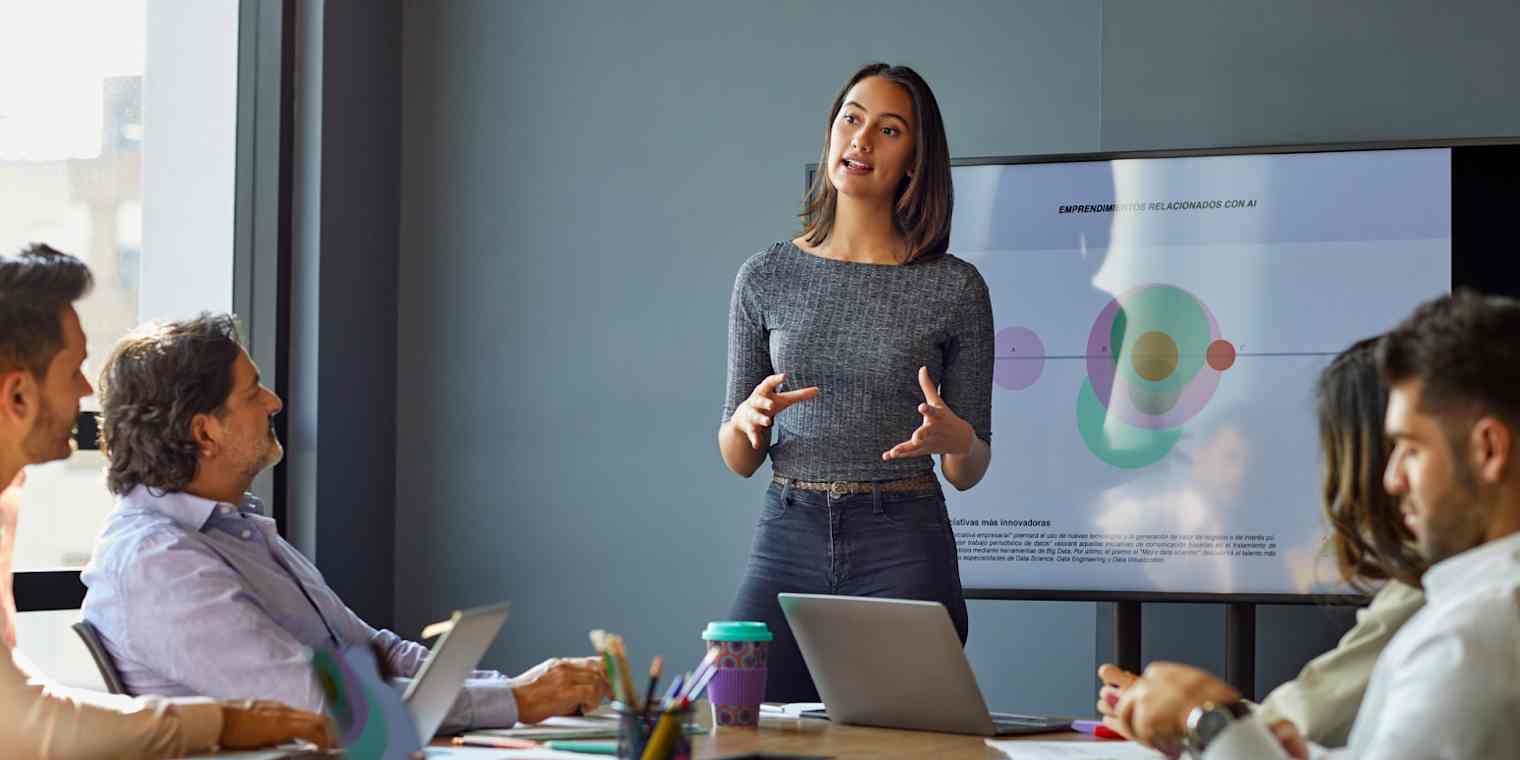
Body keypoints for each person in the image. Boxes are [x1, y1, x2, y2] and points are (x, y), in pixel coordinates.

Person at [81, 313, 610, 734]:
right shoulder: (158, 563)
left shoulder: (236, 527)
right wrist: (516, 700)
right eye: (252, 392)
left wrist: (522, 691)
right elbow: (318, 700)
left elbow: (370, 651)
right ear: (205, 433)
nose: (275, 402)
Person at [1108, 291, 1520, 759]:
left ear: (1488, 450)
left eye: (1412, 448)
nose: (1392, 478)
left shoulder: (1467, 643)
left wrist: (1205, 720)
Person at [719, 62, 994, 702]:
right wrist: (746, 421)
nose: (861, 139)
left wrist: (956, 437)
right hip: (790, 528)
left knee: (906, 739)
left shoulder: (955, 287)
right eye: (851, 118)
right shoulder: (763, 276)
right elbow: (737, 459)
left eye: (888, 129)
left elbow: (968, 468)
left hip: (901, 534)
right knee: (744, 721)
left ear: (915, 160)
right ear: (831, 135)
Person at [0, 244, 331, 758]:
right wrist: (222, 723)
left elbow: (23, 705)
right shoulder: (157, 556)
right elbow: (31, 724)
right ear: (18, 397)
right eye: (73, 373)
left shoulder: (8, 504)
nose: (87, 392)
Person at [1096, 337, 1428, 748]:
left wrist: (1194, 714)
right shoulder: (1146, 515)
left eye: (1414, 450)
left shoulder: (1437, 593)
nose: (1396, 478)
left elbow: (1311, 719)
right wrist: (1186, 709)